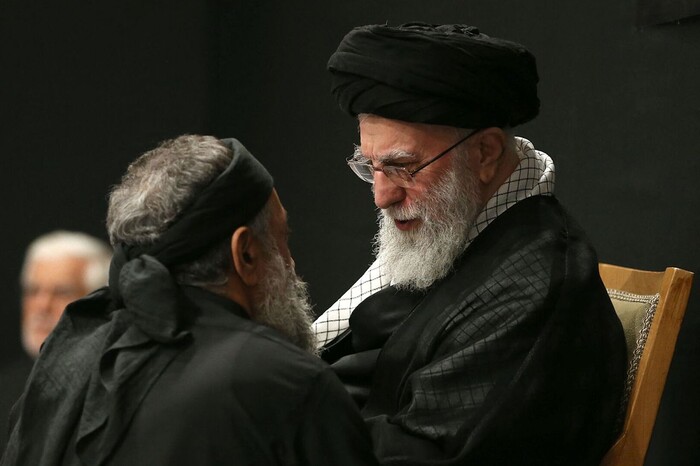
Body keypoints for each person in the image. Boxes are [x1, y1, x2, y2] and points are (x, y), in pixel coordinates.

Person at [313, 23, 627, 465]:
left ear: (485, 153)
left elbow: (427, 453)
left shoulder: (535, 290)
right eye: (371, 168)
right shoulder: (454, 233)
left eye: (403, 168)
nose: (382, 196)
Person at [2, 135, 377, 465]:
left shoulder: (65, 360)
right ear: (245, 253)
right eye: (283, 238)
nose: (291, 263)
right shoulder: (288, 383)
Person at [0, 231, 111, 457]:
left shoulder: (112, 388)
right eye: (33, 291)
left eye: (61, 292)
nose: (42, 305)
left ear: (99, 301)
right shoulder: (4, 388)